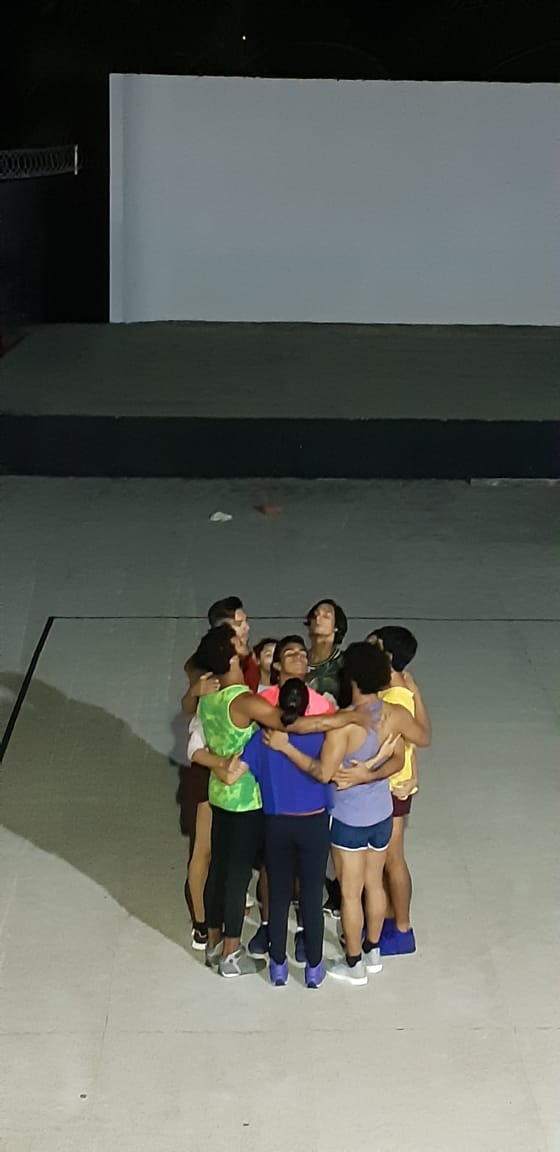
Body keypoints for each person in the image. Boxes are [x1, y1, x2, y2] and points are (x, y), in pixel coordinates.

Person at [194, 624, 363, 979]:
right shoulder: (251, 703)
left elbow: (219, 757)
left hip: (242, 805)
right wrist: (346, 717)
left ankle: (248, 955)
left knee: (242, 878)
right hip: (276, 810)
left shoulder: (218, 704)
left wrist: (218, 764)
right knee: (269, 884)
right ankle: (280, 961)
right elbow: (300, 734)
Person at [265, 641, 430, 986]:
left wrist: (286, 748)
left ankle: (353, 962)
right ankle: (372, 951)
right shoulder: (395, 714)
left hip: (349, 818)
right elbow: (417, 743)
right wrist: (371, 772)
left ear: (351, 677)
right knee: (375, 884)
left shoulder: (344, 725)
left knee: (351, 894)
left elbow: (322, 772)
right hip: (382, 814)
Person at [241, 679, 333, 989]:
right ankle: (313, 968)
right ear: (308, 706)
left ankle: (278, 966)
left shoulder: (263, 737)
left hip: (277, 824)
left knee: (278, 896)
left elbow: (240, 770)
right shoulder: (322, 736)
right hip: (314, 823)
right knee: (311, 896)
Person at [179, 597, 258, 948]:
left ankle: (225, 906)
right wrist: (194, 691)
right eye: (239, 623)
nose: (246, 627)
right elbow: (190, 712)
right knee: (205, 849)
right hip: (212, 766)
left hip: (239, 770)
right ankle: (202, 922)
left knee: (228, 848)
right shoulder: (205, 667)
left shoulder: (245, 660)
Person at [369, 626, 430, 956]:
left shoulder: (393, 698)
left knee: (392, 859)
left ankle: (403, 928)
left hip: (392, 786)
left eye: (373, 647)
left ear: (387, 656)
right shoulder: (401, 688)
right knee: (386, 859)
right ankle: (390, 918)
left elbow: (408, 740)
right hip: (396, 783)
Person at [304, 599, 348, 705]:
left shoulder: (345, 662)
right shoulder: (298, 659)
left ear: (336, 627)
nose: (318, 619)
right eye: (315, 615)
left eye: (326, 616)